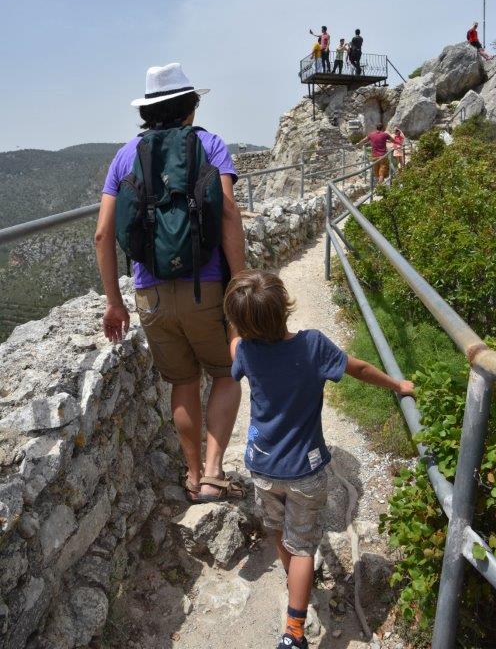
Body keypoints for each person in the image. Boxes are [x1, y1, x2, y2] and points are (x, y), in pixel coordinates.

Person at [224, 270, 414, 649]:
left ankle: (297, 583)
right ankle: (294, 631)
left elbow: (234, 347)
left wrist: (238, 326)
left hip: (262, 468)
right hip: (305, 472)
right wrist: (397, 385)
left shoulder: (244, 351)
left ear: (240, 323)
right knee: (304, 545)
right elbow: (357, 368)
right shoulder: (313, 346)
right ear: (285, 306)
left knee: (279, 533)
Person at [95, 62, 246, 503]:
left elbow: (103, 234)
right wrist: (239, 285)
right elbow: (230, 214)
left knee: (183, 381)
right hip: (208, 285)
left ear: (147, 111)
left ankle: (193, 474)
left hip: (151, 292)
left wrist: (114, 302)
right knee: (226, 373)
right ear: (190, 106)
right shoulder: (211, 145)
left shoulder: (125, 156)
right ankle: (215, 473)